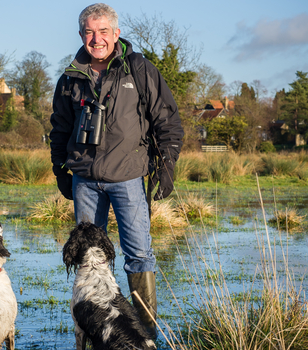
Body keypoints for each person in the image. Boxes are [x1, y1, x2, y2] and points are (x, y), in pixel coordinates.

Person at [49, 3, 183, 338]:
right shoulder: (70, 77)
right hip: (84, 180)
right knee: (90, 259)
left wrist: (166, 168)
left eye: (103, 31)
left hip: (128, 177)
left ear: (116, 33)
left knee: (138, 255)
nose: (97, 39)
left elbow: (167, 122)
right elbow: (60, 129)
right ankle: (99, 334)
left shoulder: (139, 69)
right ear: (82, 35)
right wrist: (60, 169)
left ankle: (145, 337)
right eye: (90, 32)